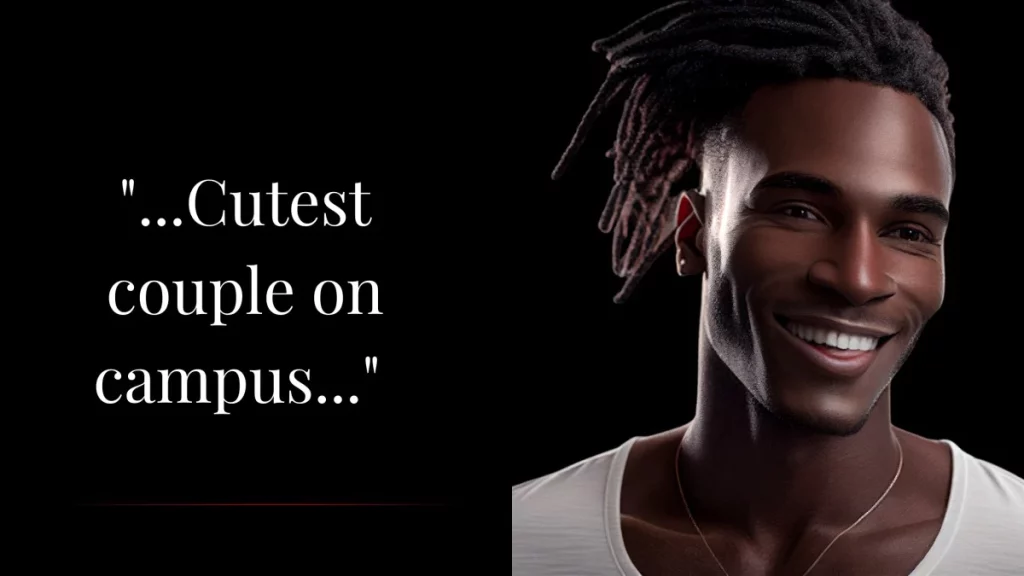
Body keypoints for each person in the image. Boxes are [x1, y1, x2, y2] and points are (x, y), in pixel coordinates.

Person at [512, 1, 1024, 574]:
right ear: (692, 235)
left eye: (908, 232)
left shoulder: (1014, 541)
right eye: (800, 211)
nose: (857, 279)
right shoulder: (529, 538)